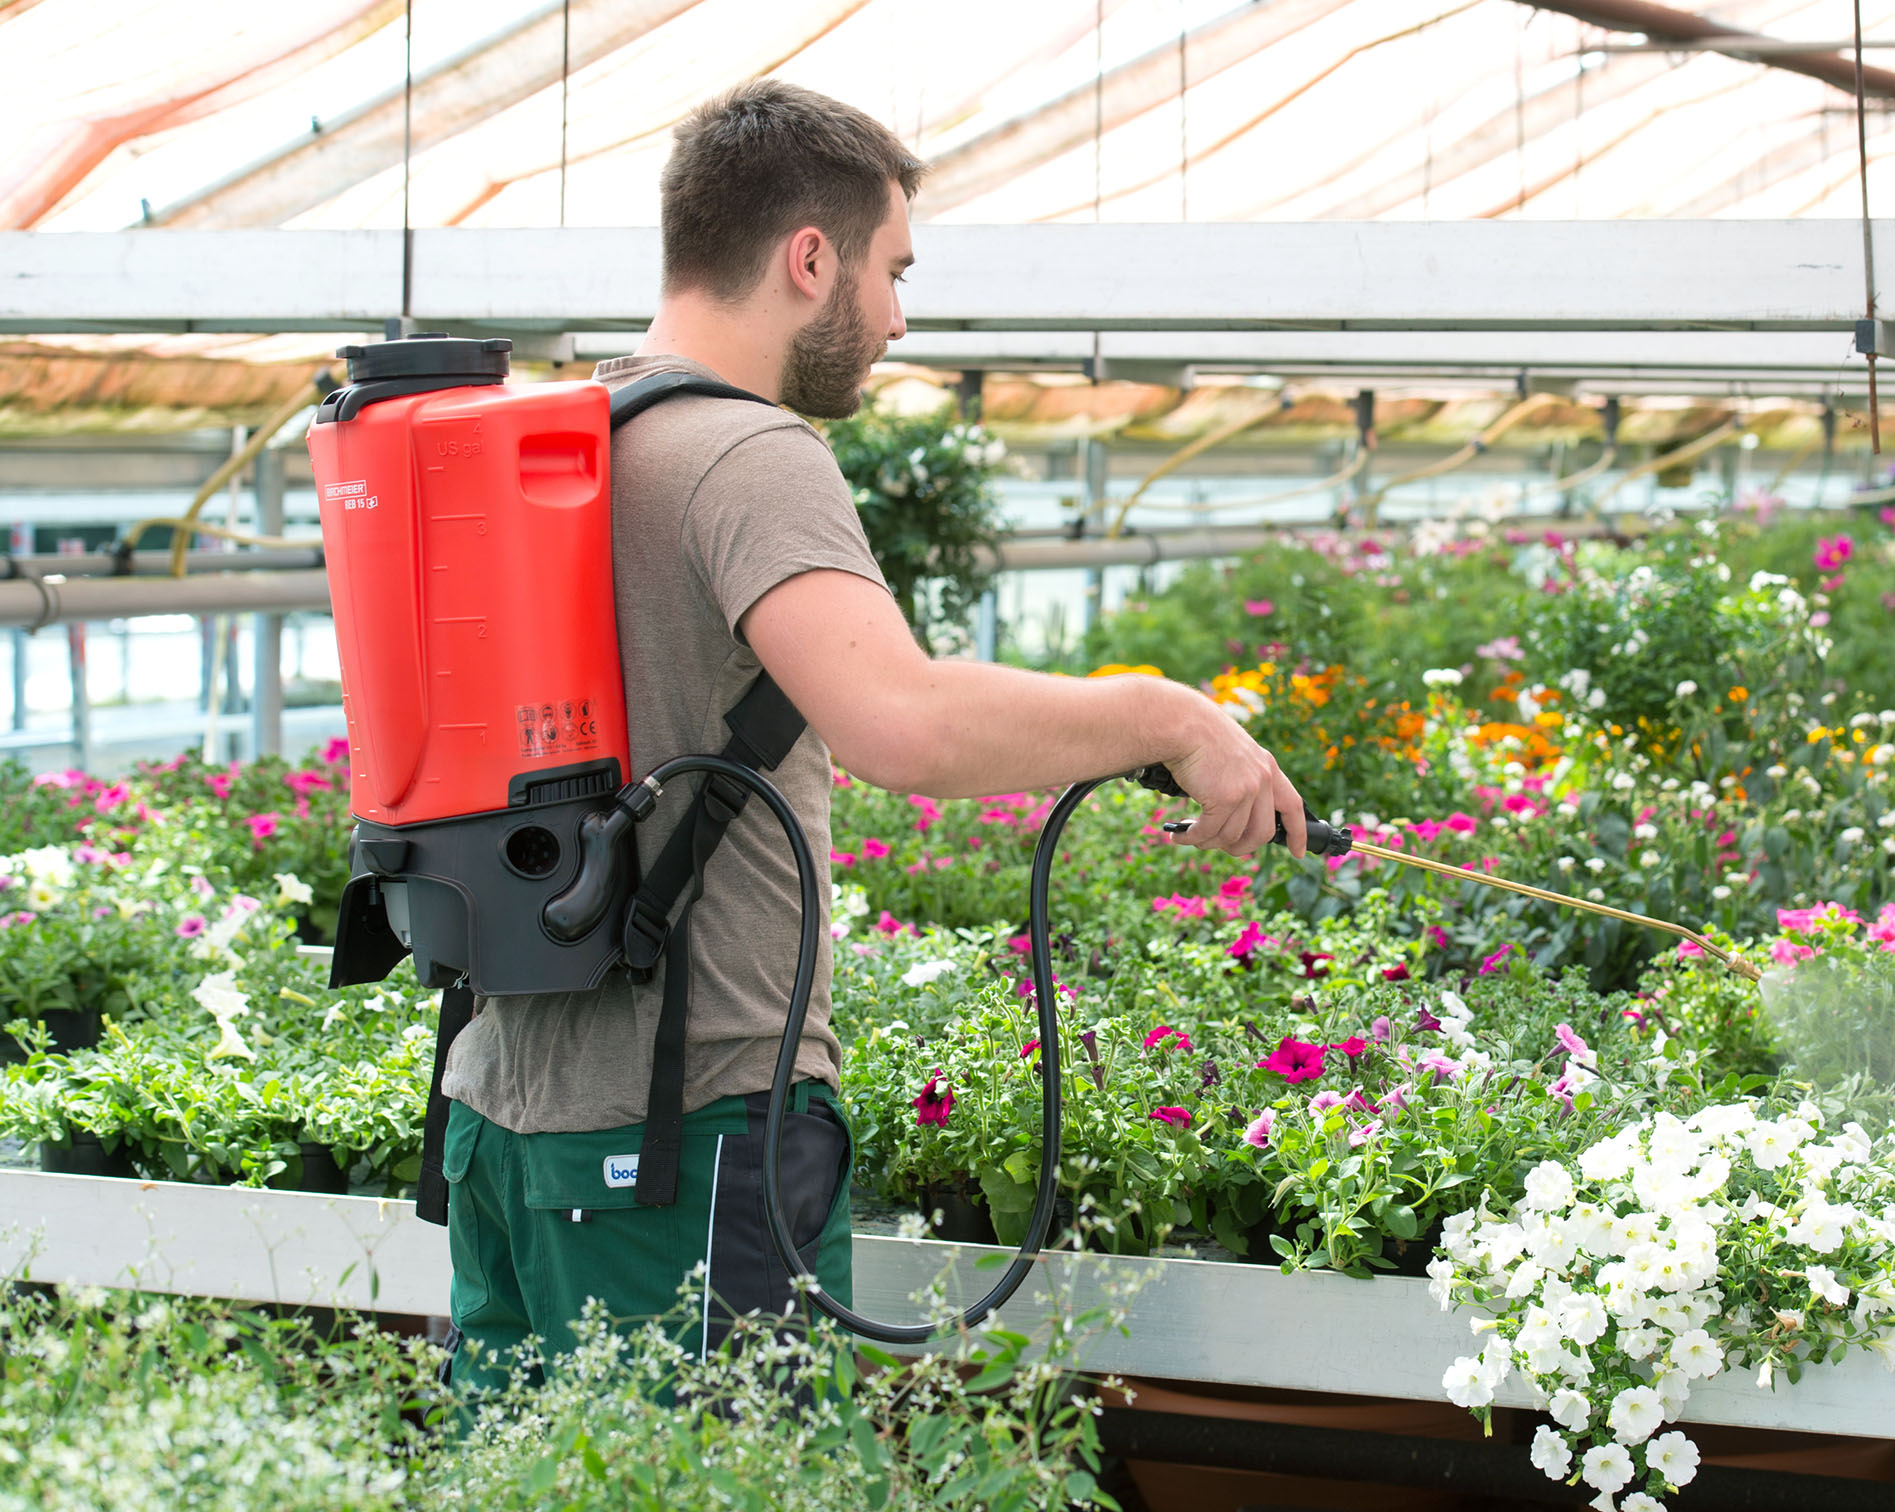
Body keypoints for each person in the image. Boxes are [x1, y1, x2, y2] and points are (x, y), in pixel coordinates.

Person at [436, 78, 1307, 1389]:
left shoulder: (566, 441)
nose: (897, 317)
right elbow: (899, 724)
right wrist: (1163, 714)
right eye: (891, 271)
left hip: (499, 1120)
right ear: (807, 259)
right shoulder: (744, 454)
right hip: (682, 1138)